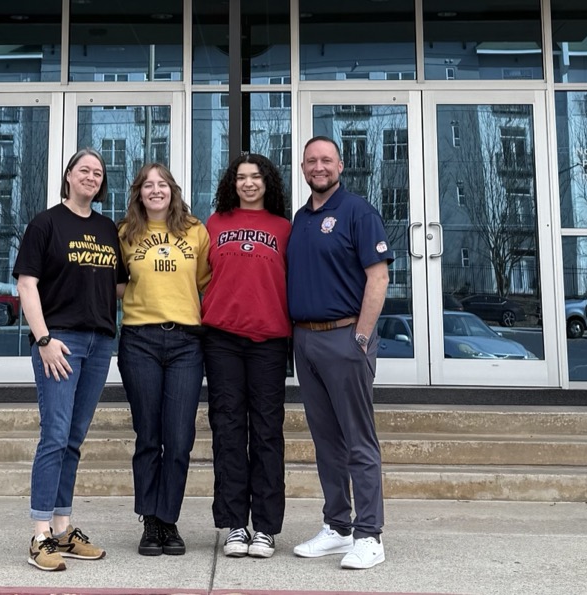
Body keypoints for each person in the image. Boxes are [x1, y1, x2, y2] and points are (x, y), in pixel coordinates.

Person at [14, 148, 127, 573]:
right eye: (84, 170)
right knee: (55, 435)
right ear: (68, 176)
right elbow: (27, 285)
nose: (92, 177)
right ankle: (40, 534)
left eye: (98, 173)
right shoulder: (46, 223)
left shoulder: (106, 228)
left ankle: (63, 528)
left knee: (74, 438)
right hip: (59, 343)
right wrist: (44, 338)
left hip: (99, 344)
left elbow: (118, 287)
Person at [285, 135, 391, 570]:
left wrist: (361, 338)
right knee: (326, 440)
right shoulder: (300, 217)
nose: (318, 166)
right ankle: (337, 526)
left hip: (345, 337)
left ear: (341, 165)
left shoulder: (358, 212)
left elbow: (378, 279)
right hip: (305, 340)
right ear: (304, 167)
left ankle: (370, 535)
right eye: (311, 160)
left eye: (326, 159)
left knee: (358, 441)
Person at [116, 161, 209, 557]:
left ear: (173, 190)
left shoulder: (196, 231)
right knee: (148, 436)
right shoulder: (124, 234)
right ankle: (150, 522)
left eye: (162, 184)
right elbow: (115, 285)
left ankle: (169, 519)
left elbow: (206, 282)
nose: (156, 190)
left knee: (179, 437)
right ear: (138, 192)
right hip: (140, 341)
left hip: (187, 342)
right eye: (148, 185)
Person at [202, 151, 292, 560]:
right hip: (221, 339)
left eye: (256, 177)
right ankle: (236, 524)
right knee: (228, 431)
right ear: (231, 183)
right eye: (241, 177)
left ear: (267, 182)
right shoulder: (215, 224)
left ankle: (267, 528)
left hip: (269, 342)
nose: (249, 183)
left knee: (268, 435)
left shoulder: (284, 228)